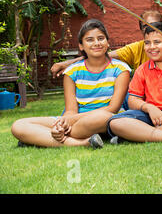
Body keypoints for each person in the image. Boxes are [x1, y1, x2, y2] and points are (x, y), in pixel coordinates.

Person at [11, 19, 131, 148]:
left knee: (102, 117)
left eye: (101, 38)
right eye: (89, 40)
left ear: (107, 42)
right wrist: (64, 122)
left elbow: (112, 108)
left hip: (104, 120)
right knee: (18, 125)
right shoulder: (72, 71)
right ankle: (80, 142)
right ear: (81, 46)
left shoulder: (121, 69)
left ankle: (46, 138)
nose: (96, 43)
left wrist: (70, 121)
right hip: (75, 120)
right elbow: (70, 110)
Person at [51, 10, 162, 76]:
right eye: (147, 26)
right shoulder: (137, 48)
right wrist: (68, 64)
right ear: (141, 29)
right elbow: (102, 55)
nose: (153, 29)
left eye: (156, 25)